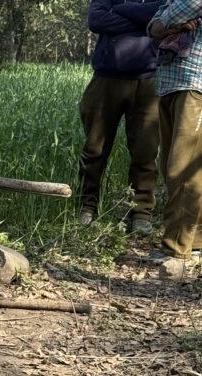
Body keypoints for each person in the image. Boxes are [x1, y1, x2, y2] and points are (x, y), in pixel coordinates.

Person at [77, 0, 163, 234]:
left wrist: (121, 10)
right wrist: (144, 21)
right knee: (94, 149)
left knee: (145, 153)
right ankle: (87, 206)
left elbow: (163, 14)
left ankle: (141, 212)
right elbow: (96, 21)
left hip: (148, 79)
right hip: (105, 78)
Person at [147, 2, 202, 279]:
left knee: (183, 167)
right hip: (170, 81)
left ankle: (177, 247)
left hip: (195, 82)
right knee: (171, 163)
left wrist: (169, 22)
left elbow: (173, 13)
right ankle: (194, 242)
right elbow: (153, 26)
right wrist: (172, 23)